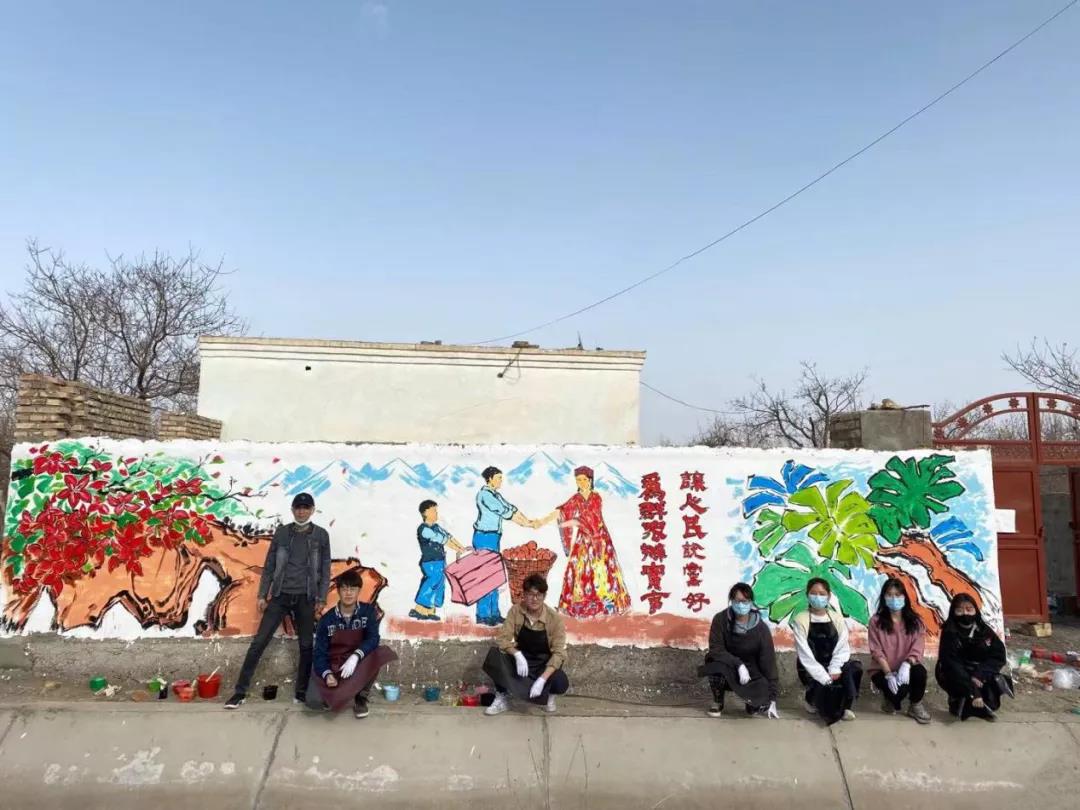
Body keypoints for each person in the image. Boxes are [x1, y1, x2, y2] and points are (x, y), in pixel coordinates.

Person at [225, 492, 331, 709]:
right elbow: (270, 565)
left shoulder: (321, 535)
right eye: (298, 507)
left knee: (306, 646)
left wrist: (321, 598)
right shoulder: (282, 533)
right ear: (292, 510)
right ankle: (239, 692)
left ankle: (301, 693)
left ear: (312, 510)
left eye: (306, 508)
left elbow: (325, 568)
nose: (301, 511)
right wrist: (262, 594)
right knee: (259, 643)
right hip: (280, 595)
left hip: (306, 597)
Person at [535, 466, 631, 618]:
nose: (581, 482)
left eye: (584, 479)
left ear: (590, 480)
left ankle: (607, 605)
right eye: (578, 480)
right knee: (580, 571)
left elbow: (591, 519)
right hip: (584, 541)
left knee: (603, 571)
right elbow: (561, 512)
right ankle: (581, 606)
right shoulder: (576, 498)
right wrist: (542, 521)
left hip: (600, 540)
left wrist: (572, 522)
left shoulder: (596, 497)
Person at [306, 569, 397, 718]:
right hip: (335, 664)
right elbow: (320, 652)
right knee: (313, 701)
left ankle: (360, 697)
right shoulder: (327, 620)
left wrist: (355, 656)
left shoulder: (368, 612)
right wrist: (327, 673)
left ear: (359, 591)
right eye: (344, 589)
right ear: (338, 591)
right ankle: (338, 690)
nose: (348, 593)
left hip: (357, 663)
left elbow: (373, 638)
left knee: (377, 653)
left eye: (353, 589)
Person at [482, 574, 569, 715]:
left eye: (538, 595)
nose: (534, 599)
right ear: (524, 595)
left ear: (544, 596)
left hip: (542, 665)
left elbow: (559, 653)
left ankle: (548, 696)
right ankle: (502, 697)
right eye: (530, 594)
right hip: (522, 665)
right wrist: (517, 654)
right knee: (495, 656)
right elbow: (502, 639)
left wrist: (542, 680)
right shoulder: (516, 611)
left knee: (561, 682)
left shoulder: (554, 619)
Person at [698, 582, 779, 718]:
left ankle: (750, 702)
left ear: (751, 602)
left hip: (752, 673)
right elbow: (716, 649)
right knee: (713, 662)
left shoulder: (761, 628)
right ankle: (718, 701)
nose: (741, 605)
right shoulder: (720, 620)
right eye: (737, 601)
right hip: (728, 667)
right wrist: (739, 665)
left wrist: (772, 698)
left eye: (745, 601)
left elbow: (768, 662)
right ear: (731, 601)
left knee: (758, 707)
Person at [472, 466, 537, 626]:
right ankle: (483, 615)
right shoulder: (485, 495)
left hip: (493, 537)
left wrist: (528, 522)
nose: (501, 480)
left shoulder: (495, 494)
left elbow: (511, 508)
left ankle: (494, 614)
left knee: (494, 576)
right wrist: (527, 524)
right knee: (486, 577)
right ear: (490, 479)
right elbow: (504, 511)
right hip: (484, 537)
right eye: (498, 478)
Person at [792, 577, 862, 725]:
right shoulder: (800, 619)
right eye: (813, 593)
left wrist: (835, 667)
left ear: (829, 596)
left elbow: (842, 647)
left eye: (822, 594)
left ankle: (845, 706)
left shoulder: (837, 618)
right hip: (812, 667)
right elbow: (804, 654)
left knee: (854, 669)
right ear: (807, 595)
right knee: (829, 714)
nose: (817, 597)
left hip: (833, 665)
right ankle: (811, 700)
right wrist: (823, 676)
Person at [935, 593, 1014, 722]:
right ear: (953, 612)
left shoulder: (983, 630)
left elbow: (998, 655)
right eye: (960, 610)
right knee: (960, 697)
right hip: (956, 672)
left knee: (991, 699)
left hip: (979, 671)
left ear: (975, 611)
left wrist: (979, 674)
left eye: (969, 609)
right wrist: (973, 690)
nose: (965, 614)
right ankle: (958, 699)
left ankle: (981, 703)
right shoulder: (949, 632)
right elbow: (951, 662)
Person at [868, 578, 930, 724]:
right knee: (896, 696)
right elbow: (876, 650)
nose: (894, 599)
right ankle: (888, 699)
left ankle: (915, 705)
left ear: (904, 597)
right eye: (889, 595)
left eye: (897, 595)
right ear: (884, 598)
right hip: (883, 670)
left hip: (907, 667)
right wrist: (888, 674)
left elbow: (918, 647)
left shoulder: (916, 622)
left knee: (920, 673)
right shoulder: (876, 621)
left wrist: (907, 664)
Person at [410, 499, 467, 621]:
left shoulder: (437, 527)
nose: (436, 513)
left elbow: (449, 537)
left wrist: (461, 547)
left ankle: (430, 611)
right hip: (430, 561)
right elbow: (443, 540)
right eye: (433, 511)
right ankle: (419, 610)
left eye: (436, 511)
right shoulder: (424, 529)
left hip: (440, 560)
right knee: (432, 581)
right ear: (425, 513)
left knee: (440, 584)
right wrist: (457, 549)